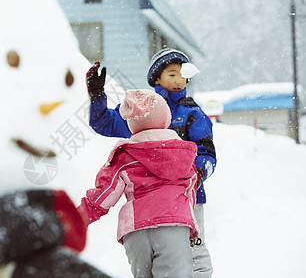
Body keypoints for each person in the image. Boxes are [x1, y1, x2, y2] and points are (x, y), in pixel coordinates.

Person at [86, 48, 216, 278]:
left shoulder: (192, 113)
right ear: (156, 78)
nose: (179, 80)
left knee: (194, 252)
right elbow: (103, 122)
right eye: (172, 74)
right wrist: (97, 96)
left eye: (182, 74)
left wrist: (197, 172)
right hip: (146, 202)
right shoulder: (141, 111)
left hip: (186, 196)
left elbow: (206, 151)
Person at [78, 89, 199, 278]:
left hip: (136, 230)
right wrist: (191, 227)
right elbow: (190, 193)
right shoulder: (184, 155)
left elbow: (104, 193)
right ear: (165, 119)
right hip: (174, 225)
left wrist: (79, 217)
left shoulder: (125, 155)